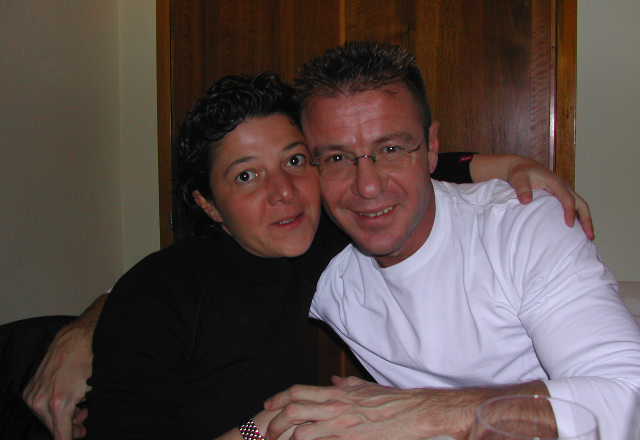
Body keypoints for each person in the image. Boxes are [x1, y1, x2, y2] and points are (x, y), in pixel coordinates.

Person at [20, 72, 594, 440]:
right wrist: (260, 432)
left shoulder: (322, 236)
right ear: (208, 204)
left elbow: (393, 166)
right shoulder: (160, 295)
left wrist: (512, 166)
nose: (284, 193)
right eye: (246, 176)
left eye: (295, 161)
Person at [261, 42, 640, 440]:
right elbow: (269, 418)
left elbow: (629, 396)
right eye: (337, 158)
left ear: (431, 148)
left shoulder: (520, 226)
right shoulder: (313, 257)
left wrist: (422, 409)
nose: (367, 186)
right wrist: (257, 431)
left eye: (391, 149)